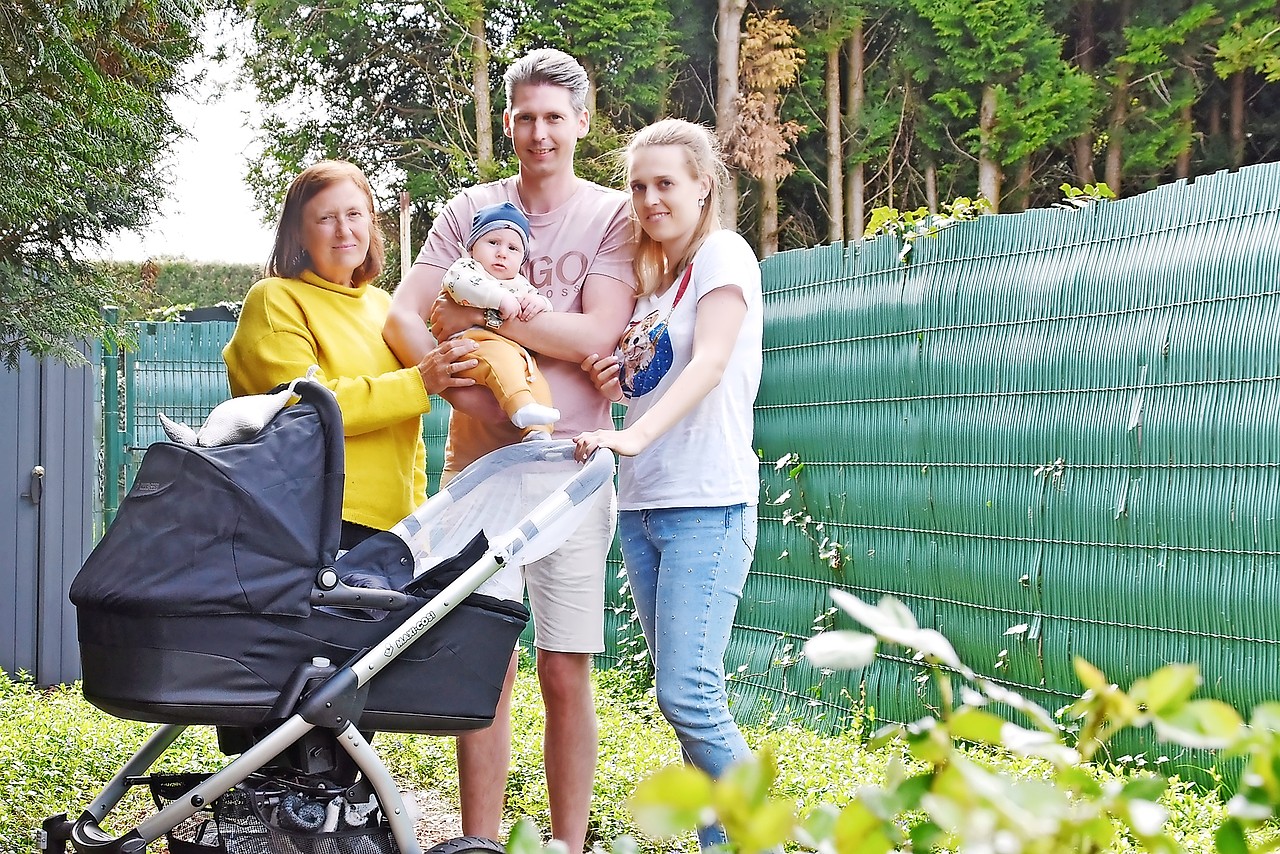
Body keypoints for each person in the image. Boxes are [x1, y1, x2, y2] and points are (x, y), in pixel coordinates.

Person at [382, 49, 636, 852]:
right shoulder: (469, 209)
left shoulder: (611, 216)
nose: (538, 132)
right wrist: (459, 382)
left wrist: (484, 318)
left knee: (567, 671)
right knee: (483, 670)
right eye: (524, 117)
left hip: (572, 472)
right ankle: (480, 845)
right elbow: (402, 316)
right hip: (480, 473)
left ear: (582, 124)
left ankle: (568, 844)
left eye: (554, 118)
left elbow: (598, 331)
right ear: (508, 122)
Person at [572, 118, 763, 850]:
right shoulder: (657, 284)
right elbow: (652, 385)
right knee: (687, 704)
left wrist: (634, 434)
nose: (650, 198)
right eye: (639, 185)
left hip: (706, 503)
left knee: (688, 694)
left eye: (666, 184)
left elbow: (711, 364)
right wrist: (613, 388)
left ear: (702, 187)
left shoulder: (724, 255)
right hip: (645, 506)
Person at [223, 159, 480, 550]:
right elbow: (301, 407)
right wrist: (419, 381)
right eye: (325, 218)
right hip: (307, 527)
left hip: (391, 533)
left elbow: (407, 437)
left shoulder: (382, 306)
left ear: (371, 224)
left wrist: (416, 521)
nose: (344, 230)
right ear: (298, 233)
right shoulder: (274, 299)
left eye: (354, 214)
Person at [442, 201, 560, 439]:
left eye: (513, 248)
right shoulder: (468, 268)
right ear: (473, 247)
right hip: (472, 344)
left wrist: (541, 304)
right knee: (501, 358)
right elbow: (459, 284)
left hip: (512, 351)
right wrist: (499, 299)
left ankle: (538, 433)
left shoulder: (519, 282)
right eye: (493, 242)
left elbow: (537, 301)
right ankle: (520, 408)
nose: (502, 253)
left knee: (536, 380)